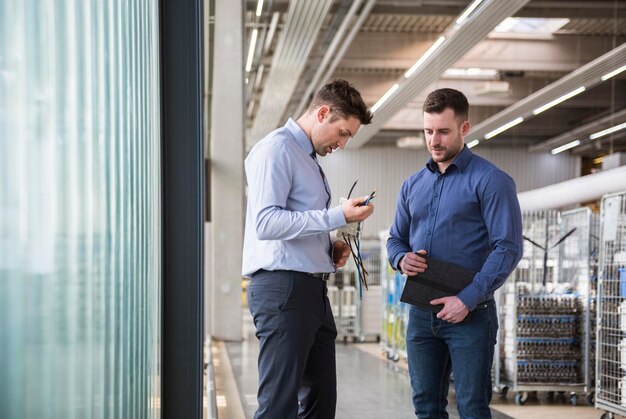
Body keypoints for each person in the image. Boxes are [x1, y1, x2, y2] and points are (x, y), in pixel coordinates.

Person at [386, 88, 523, 418]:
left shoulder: (491, 181)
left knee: (472, 408)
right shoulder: (412, 185)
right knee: (425, 406)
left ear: (464, 129)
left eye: (443, 131)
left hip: (471, 316)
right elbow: (395, 240)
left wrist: (467, 299)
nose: (434, 140)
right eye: (428, 131)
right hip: (421, 314)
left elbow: (508, 248)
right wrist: (401, 259)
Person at [242, 79, 374, 419]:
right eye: (343, 133)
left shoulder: (306, 158)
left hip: (311, 289)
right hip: (284, 289)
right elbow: (266, 223)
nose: (342, 144)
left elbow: (297, 220)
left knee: (319, 402)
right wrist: (336, 215)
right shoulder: (277, 150)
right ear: (323, 113)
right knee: (279, 404)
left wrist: (329, 247)